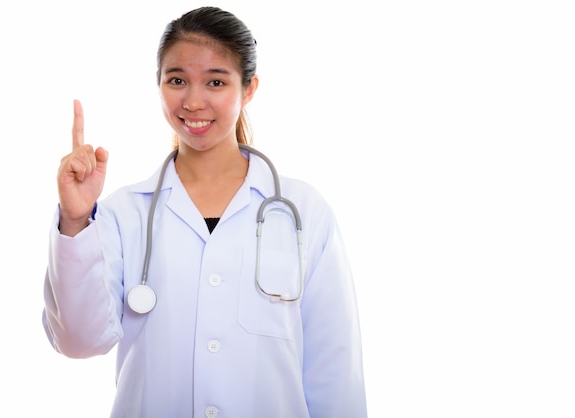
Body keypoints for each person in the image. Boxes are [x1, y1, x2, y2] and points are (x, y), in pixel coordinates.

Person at [42, 6, 367, 417]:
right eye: (177, 80)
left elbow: (335, 371)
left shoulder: (303, 211)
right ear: (158, 84)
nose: (193, 101)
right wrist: (75, 220)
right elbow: (79, 341)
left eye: (216, 81)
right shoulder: (122, 213)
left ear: (248, 89)